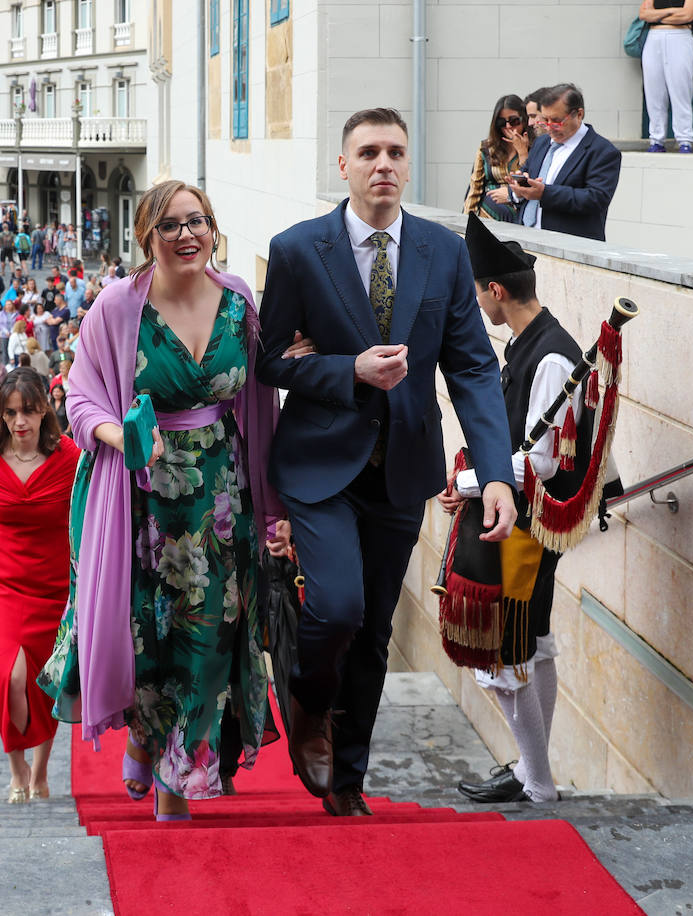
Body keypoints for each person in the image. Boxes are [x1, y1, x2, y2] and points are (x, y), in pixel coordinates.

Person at [256, 108, 516, 816]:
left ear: (408, 164)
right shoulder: (297, 249)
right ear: (343, 165)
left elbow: (472, 367)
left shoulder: (443, 251)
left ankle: (348, 781)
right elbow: (270, 360)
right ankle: (308, 700)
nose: (384, 164)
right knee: (337, 606)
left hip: (401, 467)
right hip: (318, 465)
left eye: (396, 152)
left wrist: (496, 473)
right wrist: (347, 370)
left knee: (373, 629)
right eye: (368, 152)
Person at [40, 180, 292, 821]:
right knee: (150, 634)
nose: (187, 235)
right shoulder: (117, 306)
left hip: (222, 498)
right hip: (141, 500)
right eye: (171, 225)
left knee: (210, 633)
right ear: (147, 237)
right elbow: (80, 398)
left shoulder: (238, 300)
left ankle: (180, 776)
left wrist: (272, 507)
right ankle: (148, 743)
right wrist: (120, 437)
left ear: (213, 228)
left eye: (197, 221)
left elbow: (259, 403)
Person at [444, 215, 593, 805]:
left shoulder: (551, 357)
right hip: (523, 523)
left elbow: (545, 461)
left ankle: (537, 780)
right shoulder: (532, 342)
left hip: (527, 529)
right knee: (534, 645)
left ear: (496, 290)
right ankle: (534, 775)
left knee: (504, 661)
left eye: (477, 293)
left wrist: (468, 480)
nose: (477, 303)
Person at [0, 368, 80, 803]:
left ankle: (40, 772)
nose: (19, 421)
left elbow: (82, 522)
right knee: (8, 676)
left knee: (46, 680)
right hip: (1, 579)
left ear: (45, 409)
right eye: (10, 413)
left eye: (28, 411)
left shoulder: (70, 456)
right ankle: (16, 768)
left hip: (54, 582)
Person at [509, 85, 623, 242]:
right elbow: (528, 175)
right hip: (526, 240)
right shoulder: (542, 143)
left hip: (569, 246)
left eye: (556, 121)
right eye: (545, 120)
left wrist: (545, 193)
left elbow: (596, 199)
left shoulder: (602, 151)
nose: (549, 127)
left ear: (579, 114)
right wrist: (519, 189)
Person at [640, 0, 693, 153]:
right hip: (654, 36)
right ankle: (656, 140)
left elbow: (687, 15)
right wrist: (672, 11)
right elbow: (644, 14)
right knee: (654, 91)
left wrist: (656, 15)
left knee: (681, 89)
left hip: (679, 36)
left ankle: (684, 139)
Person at [464, 94, 532, 222]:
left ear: (524, 119)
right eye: (501, 122)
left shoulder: (536, 146)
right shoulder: (487, 148)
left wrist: (522, 152)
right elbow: (475, 188)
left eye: (514, 121)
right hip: (488, 215)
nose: (508, 126)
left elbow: (531, 181)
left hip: (519, 216)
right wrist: (465, 222)